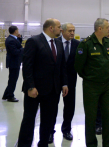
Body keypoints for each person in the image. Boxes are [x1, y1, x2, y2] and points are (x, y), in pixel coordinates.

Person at [18, 19, 68, 147]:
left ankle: (43, 144)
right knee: (29, 119)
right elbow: (27, 66)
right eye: (59, 27)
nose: (61, 29)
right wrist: (30, 86)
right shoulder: (34, 41)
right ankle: (24, 144)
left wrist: (64, 84)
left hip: (53, 90)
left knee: (48, 120)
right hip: (35, 90)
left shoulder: (58, 43)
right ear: (51, 28)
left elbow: (61, 66)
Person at [74, 18, 109, 147]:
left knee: (108, 116)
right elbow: (78, 66)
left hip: (106, 85)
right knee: (91, 117)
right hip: (91, 86)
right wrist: (90, 77)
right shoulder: (86, 44)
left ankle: (108, 144)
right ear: (100, 28)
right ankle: (91, 144)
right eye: (107, 27)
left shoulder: (108, 42)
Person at [50, 23, 80, 142]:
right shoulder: (55, 43)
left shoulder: (78, 45)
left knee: (69, 106)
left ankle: (66, 129)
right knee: (52, 107)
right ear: (62, 31)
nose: (72, 33)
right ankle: (50, 131)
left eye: (73, 30)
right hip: (55, 80)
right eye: (70, 31)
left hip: (71, 81)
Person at [2, 26, 23, 102]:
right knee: (13, 80)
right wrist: (22, 49)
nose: (18, 31)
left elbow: (17, 45)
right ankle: (10, 96)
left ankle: (5, 95)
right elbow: (15, 52)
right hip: (14, 63)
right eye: (17, 30)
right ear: (15, 31)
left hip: (15, 62)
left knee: (12, 79)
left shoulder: (13, 38)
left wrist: (20, 39)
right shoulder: (11, 40)